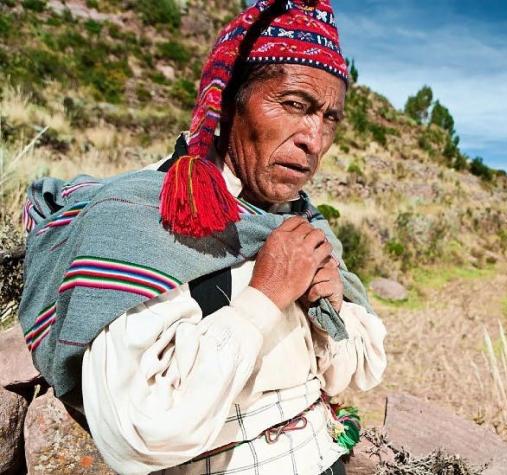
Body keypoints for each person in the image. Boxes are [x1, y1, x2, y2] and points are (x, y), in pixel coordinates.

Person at [17, 1, 386, 474]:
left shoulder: (300, 223)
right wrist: (265, 297)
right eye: (294, 105)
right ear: (229, 101)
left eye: (330, 118)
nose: (313, 138)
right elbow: (136, 434)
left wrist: (330, 304)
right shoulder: (143, 221)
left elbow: (358, 372)